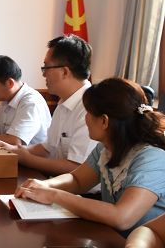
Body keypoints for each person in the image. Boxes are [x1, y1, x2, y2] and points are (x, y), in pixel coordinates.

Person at [15, 78, 165, 236]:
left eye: (88, 112)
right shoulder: (105, 147)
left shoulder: (152, 158)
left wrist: (54, 195)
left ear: (104, 121)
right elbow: (78, 180)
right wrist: (44, 185)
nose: (85, 118)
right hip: (112, 236)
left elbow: (121, 217)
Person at [0, 35, 96, 175]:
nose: (43, 74)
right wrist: (13, 150)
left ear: (64, 72)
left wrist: (27, 159)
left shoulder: (91, 107)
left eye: (46, 67)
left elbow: (76, 167)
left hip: (79, 187)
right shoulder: (64, 102)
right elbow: (48, 148)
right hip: (57, 181)